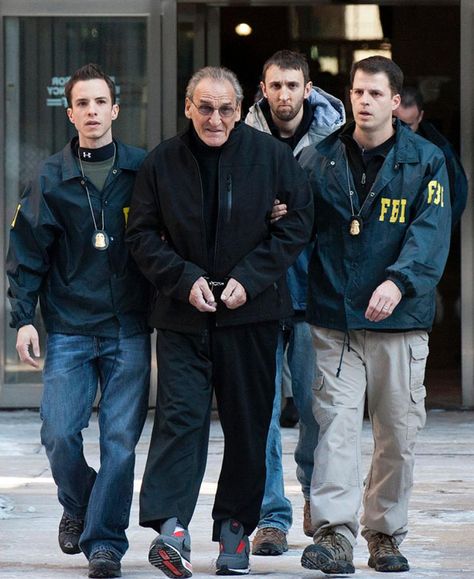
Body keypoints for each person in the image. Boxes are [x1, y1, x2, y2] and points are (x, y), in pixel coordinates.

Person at [125, 65, 313, 577]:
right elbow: (140, 235)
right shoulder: (162, 162)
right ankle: (171, 532)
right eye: (204, 107)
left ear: (239, 108)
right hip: (184, 317)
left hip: (250, 316)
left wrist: (248, 280)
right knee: (178, 421)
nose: (215, 118)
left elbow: (298, 222)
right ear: (188, 106)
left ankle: (235, 533)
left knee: (249, 426)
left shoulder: (270, 157)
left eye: (225, 108)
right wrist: (183, 279)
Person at [298, 56, 451, 574]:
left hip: (399, 321)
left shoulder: (426, 161)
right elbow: (297, 226)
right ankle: (335, 534)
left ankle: (384, 534)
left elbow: (431, 234)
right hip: (334, 318)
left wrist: (399, 280)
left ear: (395, 101)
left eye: (373, 94)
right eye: (357, 92)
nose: (363, 101)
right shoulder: (320, 158)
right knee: (335, 431)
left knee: (397, 434)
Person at [6, 63, 151, 579]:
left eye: (100, 103)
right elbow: (26, 252)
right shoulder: (49, 177)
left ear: (115, 109)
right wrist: (23, 319)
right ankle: (82, 503)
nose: (92, 112)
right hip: (68, 327)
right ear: (71, 113)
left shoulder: (143, 170)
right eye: (82, 104)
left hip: (128, 328)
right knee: (59, 434)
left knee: (119, 442)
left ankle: (105, 544)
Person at [245, 49, 345, 555]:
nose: (283, 95)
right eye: (275, 86)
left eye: (292, 85)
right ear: (262, 90)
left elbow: (349, 215)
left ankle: (312, 495)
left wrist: (300, 204)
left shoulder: (337, 144)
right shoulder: (241, 141)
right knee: (260, 411)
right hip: (259, 294)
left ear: (309, 89)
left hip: (314, 297)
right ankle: (270, 517)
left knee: (314, 409)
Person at [394, 85, 467, 229]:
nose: (402, 131)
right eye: (397, 123)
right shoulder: (376, 142)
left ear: (420, 117)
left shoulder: (438, 152)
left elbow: (455, 199)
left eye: (408, 125)